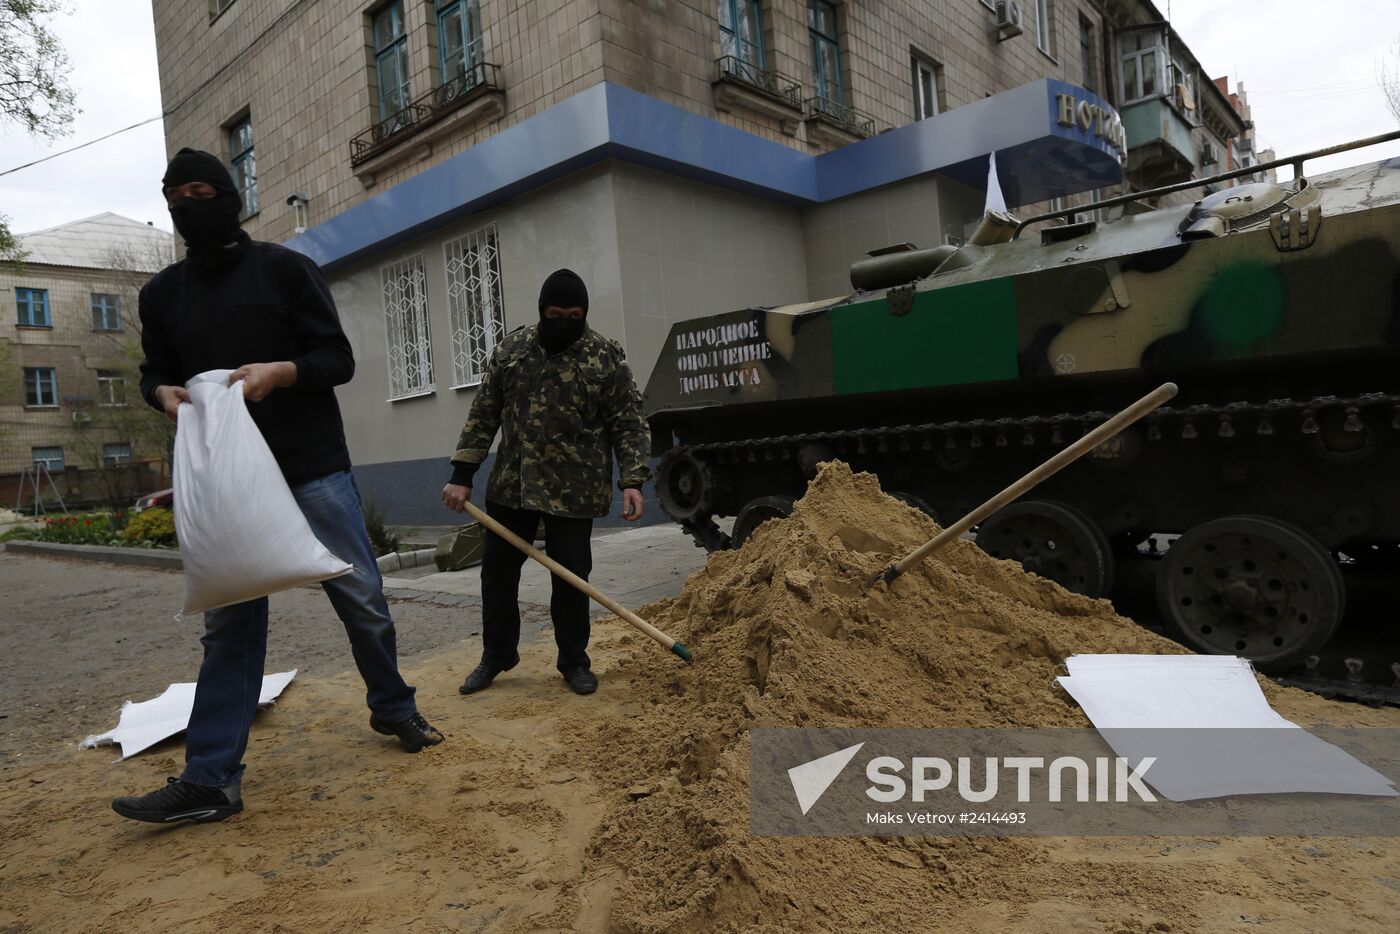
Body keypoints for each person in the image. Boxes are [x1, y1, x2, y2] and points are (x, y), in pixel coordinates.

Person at [111, 149, 442, 826]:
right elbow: (155, 372)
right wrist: (163, 395)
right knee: (231, 623)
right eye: (174, 194)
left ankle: (394, 708)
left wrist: (280, 373)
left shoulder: (285, 270)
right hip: (230, 484)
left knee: (362, 599)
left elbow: (337, 359)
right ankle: (210, 779)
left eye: (201, 190)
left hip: (310, 465)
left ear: (228, 196)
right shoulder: (161, 295)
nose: (186, 203)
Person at [442, 269, 651, 696]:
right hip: (512, 488)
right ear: (541, 311)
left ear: (584, 314)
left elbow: (628, 423)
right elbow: (483, 415)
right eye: (555, 315)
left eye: (573, 316)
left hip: (574, 492)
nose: (563, 323)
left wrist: (632, 480)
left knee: (571, 578)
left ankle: (574, 661)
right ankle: (497, 655)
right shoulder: (512, 351)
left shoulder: (604, 357)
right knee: (497, 577)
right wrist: (462, 475)